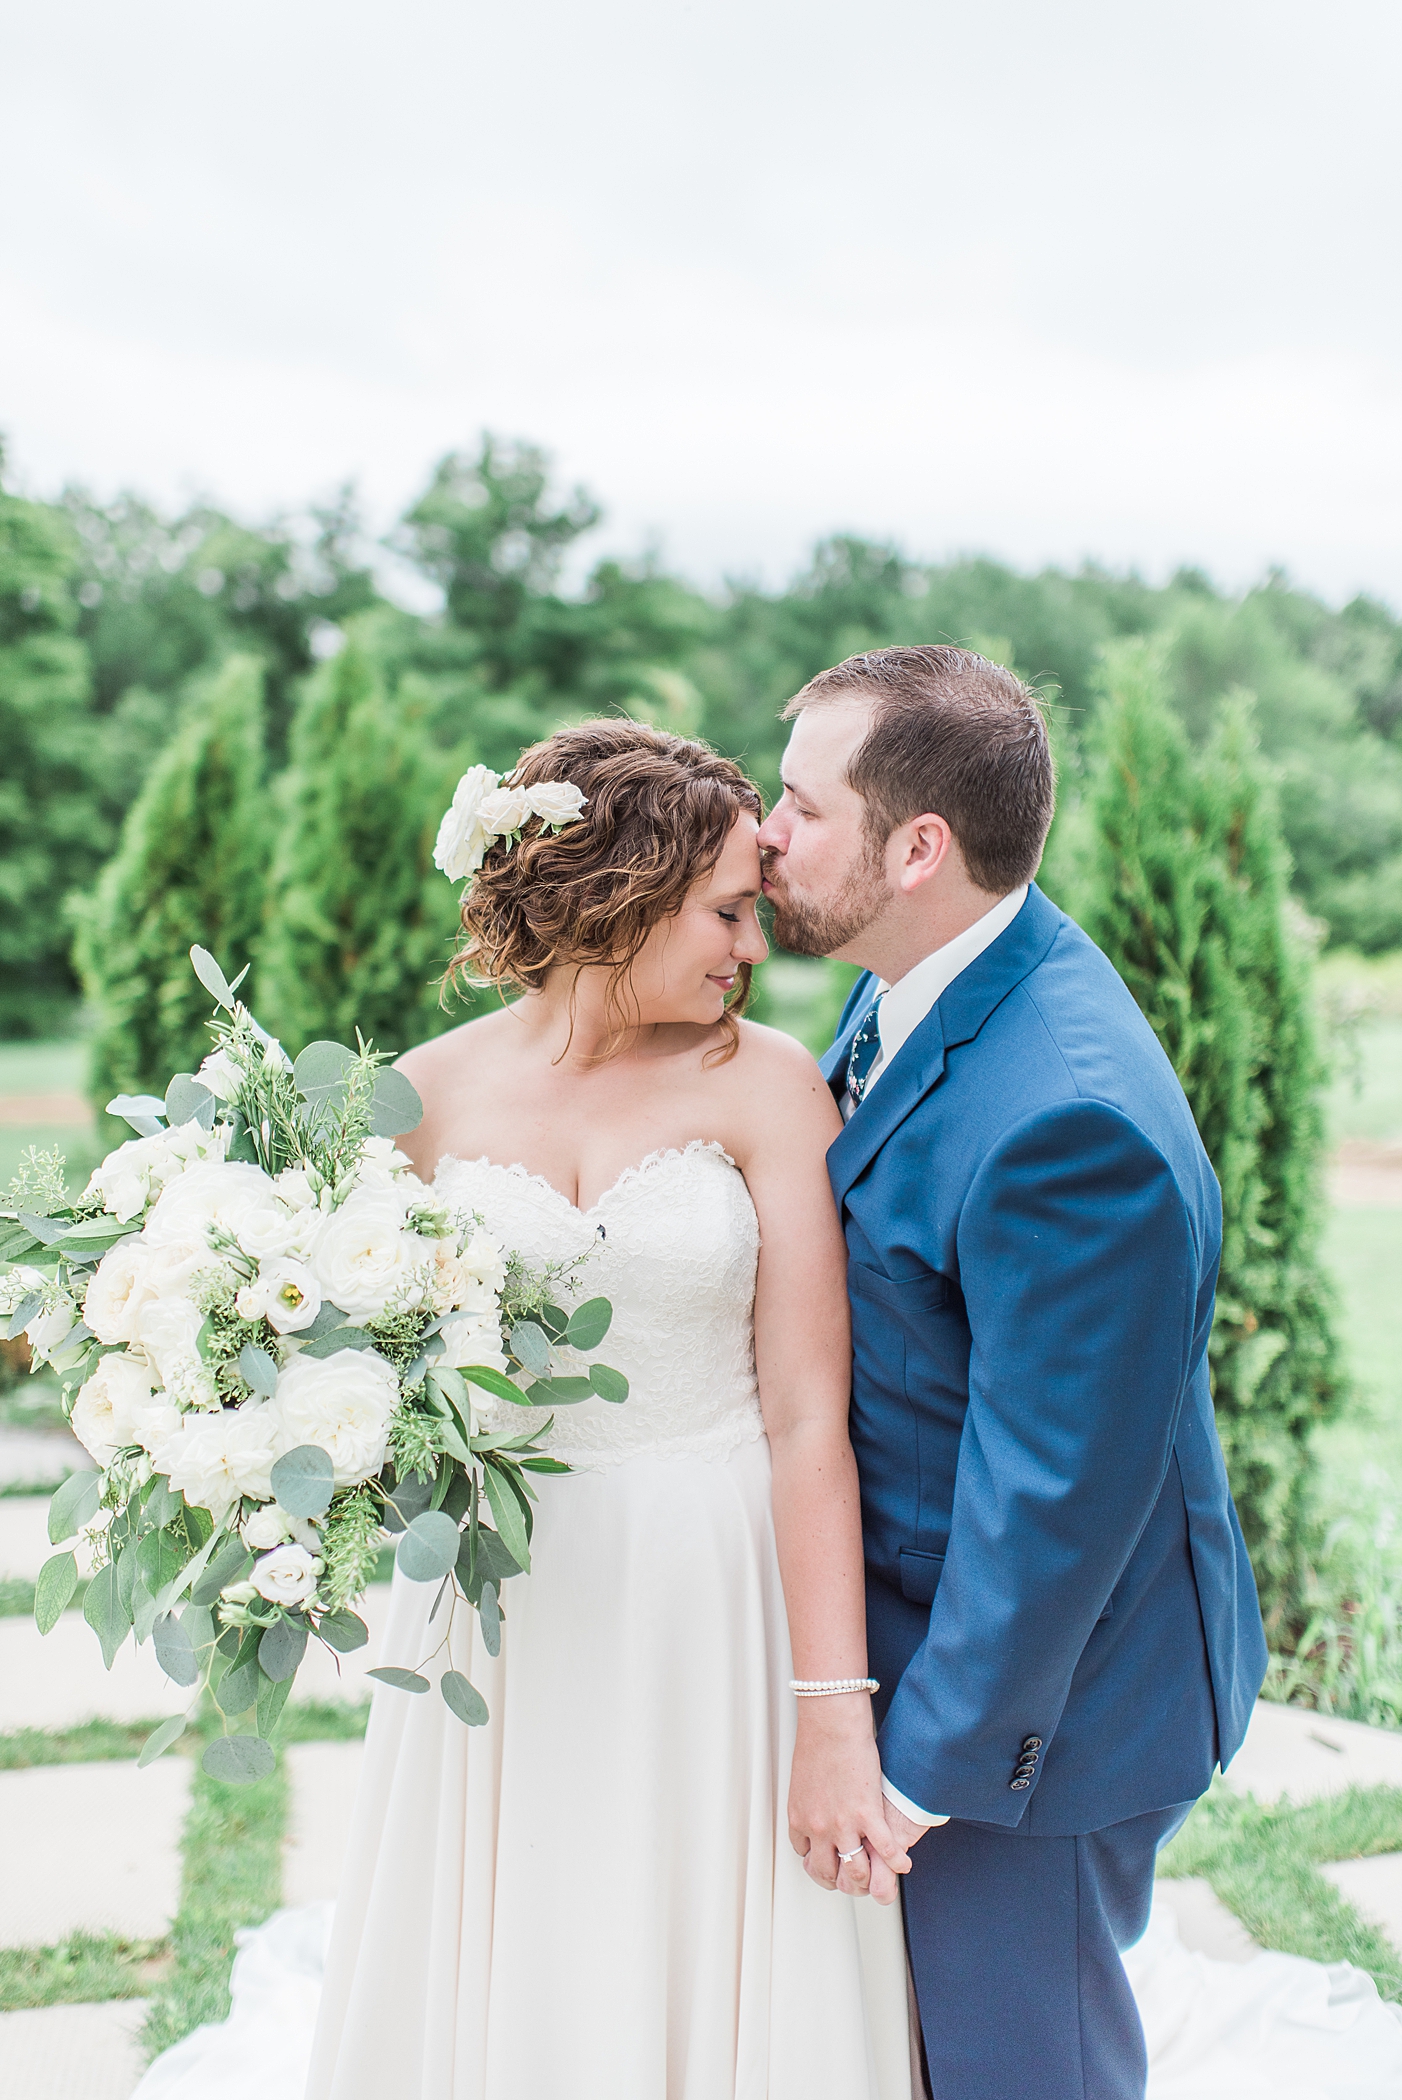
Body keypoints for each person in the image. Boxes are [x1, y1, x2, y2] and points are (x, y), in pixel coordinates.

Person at [303, 721, 916, 2099]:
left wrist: (833, 1714)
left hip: (712, 1592)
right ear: (613, 894)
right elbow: (350, 1370)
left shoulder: (764, 1083)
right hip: (497, 1603)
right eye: (725, 911)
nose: (753, 948)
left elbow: (811, 1417)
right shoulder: (418, 1094)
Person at [755, 645, 1270, 2100]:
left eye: (798, 806)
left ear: (917, 848)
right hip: (936, 1650)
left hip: (1035, 1721)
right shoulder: (930, 970)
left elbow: (1053, 1501)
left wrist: (916, 1772)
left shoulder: (1069, 1126)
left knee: (1017, 2069)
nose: (761, 832)